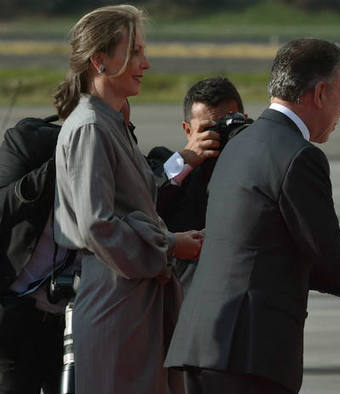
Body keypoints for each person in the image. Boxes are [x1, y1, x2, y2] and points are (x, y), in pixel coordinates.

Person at [165, 38, 340, 394]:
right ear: (321, 92)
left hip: (202, 343)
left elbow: (266, 247)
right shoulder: (298, 155)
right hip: (248, 353)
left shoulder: (238, 144)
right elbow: (326, 250)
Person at [52, 5, 203, 394]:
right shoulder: (90, 128)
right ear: (99, 61)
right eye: (134, 52)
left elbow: (133, 205)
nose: (145, 63)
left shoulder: (111, 122)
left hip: (134, 297)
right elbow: (96, 224)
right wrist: (170, 246)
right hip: (117, 299)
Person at [0, 116, 77, 394]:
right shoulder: (29, 143)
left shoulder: (118, 163)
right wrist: (57, 167)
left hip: (74, 322)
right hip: (17, 316)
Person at [148, 77, 244, 293]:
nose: (219, 136)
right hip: (185, 298)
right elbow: (146, 202)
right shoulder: (169, 166)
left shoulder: (254, 169)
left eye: (226, 126)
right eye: (209, 129)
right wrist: (184, 161)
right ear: (187, 130)